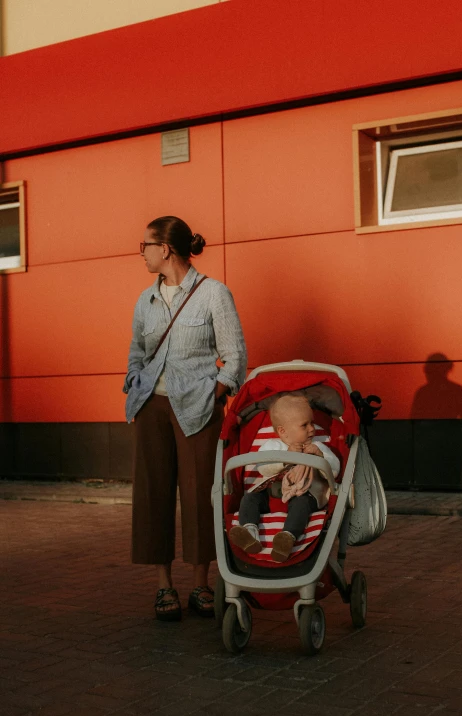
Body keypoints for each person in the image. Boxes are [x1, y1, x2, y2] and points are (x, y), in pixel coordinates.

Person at [124, 215, 247, 621]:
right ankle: (164, 586)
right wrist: (134, 381)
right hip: (152, 408)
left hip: (199, 408)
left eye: (146, 245)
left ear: (167, 250)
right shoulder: (146, 300)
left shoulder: (214, 294)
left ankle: (201, 584)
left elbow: (235, 357)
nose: (141, 252)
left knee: (200, 495)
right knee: (153, 492)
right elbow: (136, 352)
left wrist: (215, 395)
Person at [228, 393, 340, 562]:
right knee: (250, 498)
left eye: (312, 423)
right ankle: (249, 532)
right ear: (283, 431)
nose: (312, 429)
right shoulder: (272, 447)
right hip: (273, 492)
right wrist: (285, 457)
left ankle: (287, 538)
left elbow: (334, 470)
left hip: (304, 493)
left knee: (301, 504)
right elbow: (264, 468)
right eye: (304, 425)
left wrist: (321, 458)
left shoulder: (317, 446)